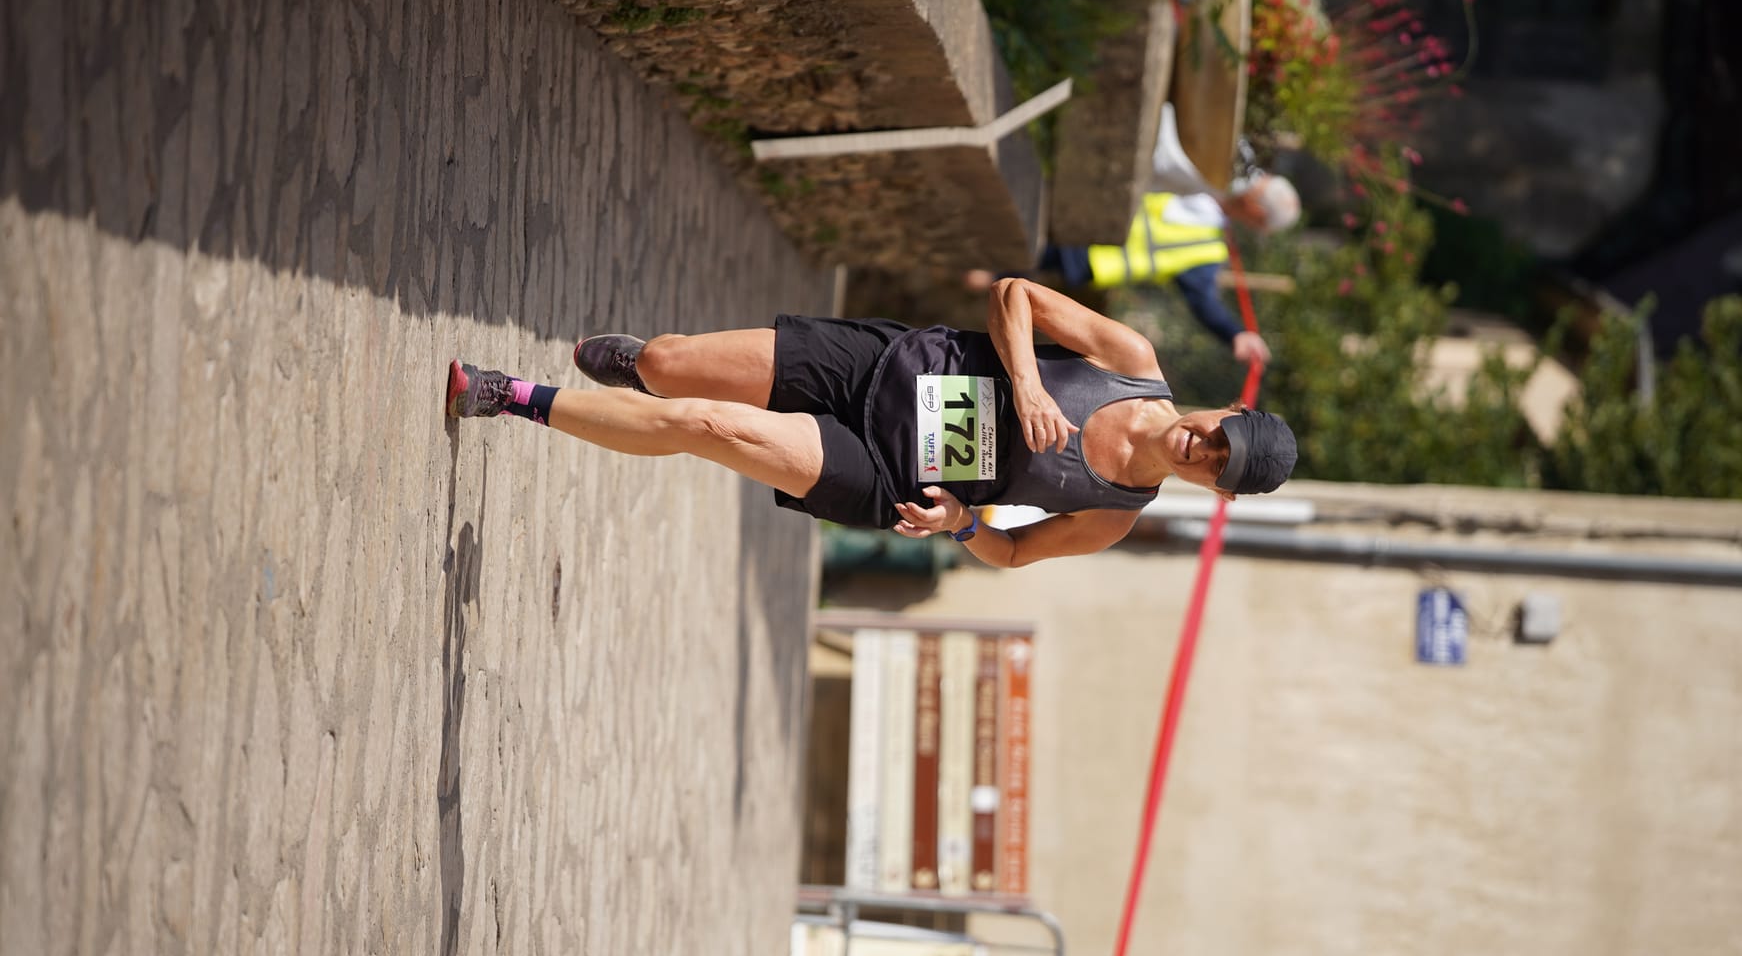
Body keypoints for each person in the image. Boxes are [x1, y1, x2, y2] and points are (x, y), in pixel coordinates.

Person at [444, 276, 1296, 568]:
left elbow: (1011, 551)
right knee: (671, 365)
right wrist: (1030, 385)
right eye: (1223, 432)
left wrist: (964, 523)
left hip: (887, 472)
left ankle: (511, 397)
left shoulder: (1110, 515)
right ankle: (641, 369)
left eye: (1217, 463)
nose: (1205, 446)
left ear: (1212, 488)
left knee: (707, 425)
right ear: (1226, 407)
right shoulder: (1129, 356)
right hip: (887, 364)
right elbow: (1014, 297)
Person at [967, 105, 1301, 367]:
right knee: (1006, 236)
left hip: (1092, 249)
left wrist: (1233, 333)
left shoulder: (1214, 222)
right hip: (1091, 206)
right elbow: (1203, 299)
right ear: (1257, 214)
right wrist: (1237, 335)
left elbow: (1204, 301)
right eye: (1259, 226)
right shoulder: (1221, 171)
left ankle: (969, 258)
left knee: (1008, 256)